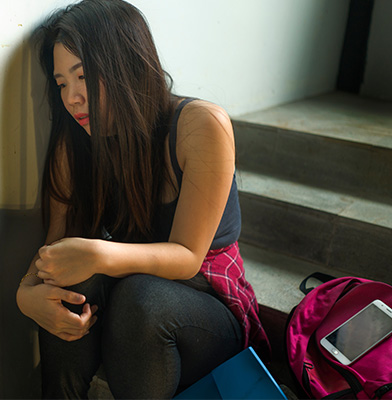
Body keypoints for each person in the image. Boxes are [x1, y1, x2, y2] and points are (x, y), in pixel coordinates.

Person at [16, 0, 270, 398]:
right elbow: (56, 248)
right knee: (72, 278)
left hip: (202, 307)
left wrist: (100, 255)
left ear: (125, 64)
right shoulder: (76, 139)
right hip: (128, 306)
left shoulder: (199, 125)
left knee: (140, 298)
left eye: (82, 76)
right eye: (62, 83)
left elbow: (187, 256)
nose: (72, 98)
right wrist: (26, 294)